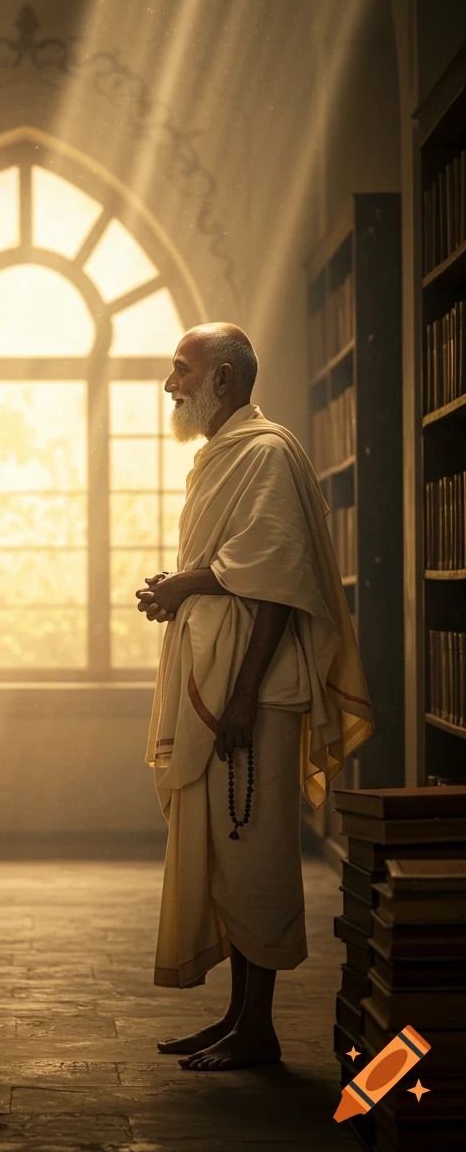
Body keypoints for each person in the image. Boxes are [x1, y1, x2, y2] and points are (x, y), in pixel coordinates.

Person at [136, 322, 372, 1071]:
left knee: (255, 847)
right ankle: (239, 1017)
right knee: (225, 847)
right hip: (222, 678)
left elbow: (277, 584)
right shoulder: (225, 455)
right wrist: (179, 590)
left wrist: (239, 693)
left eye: (182, 370)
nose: (171, 385)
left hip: (254, 689)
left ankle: (259, 1029)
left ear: (225, 379)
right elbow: (234, 567)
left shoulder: (264, 453)